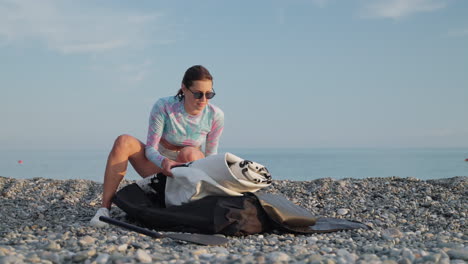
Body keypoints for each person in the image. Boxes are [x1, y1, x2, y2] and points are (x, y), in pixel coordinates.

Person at [90, 65, 224, 227]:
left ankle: (185, 209)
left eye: (209, 94)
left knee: (189, 153)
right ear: (184, 88)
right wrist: (163, 162)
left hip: (189, 170)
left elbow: (211, 157)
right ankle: (104, 209)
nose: (203, 100)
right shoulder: (164, 106)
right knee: (123, 141)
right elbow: (150, 149)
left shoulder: (215, 115)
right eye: (198, 94)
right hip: (160, 168)